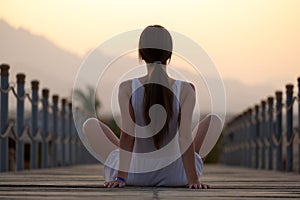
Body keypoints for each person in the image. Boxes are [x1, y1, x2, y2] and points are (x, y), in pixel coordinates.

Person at [85, 25, 221, 189]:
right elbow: (184, 137)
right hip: (177, 176)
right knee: (214, 121)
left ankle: (123, 172)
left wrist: (121, 178)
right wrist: (193, 180)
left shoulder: (127, 88)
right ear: (169, 55)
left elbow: (128, 137)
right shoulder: (186, 89)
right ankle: (190, 173)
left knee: (90, 125)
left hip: (135, 174)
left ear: (141, 54)